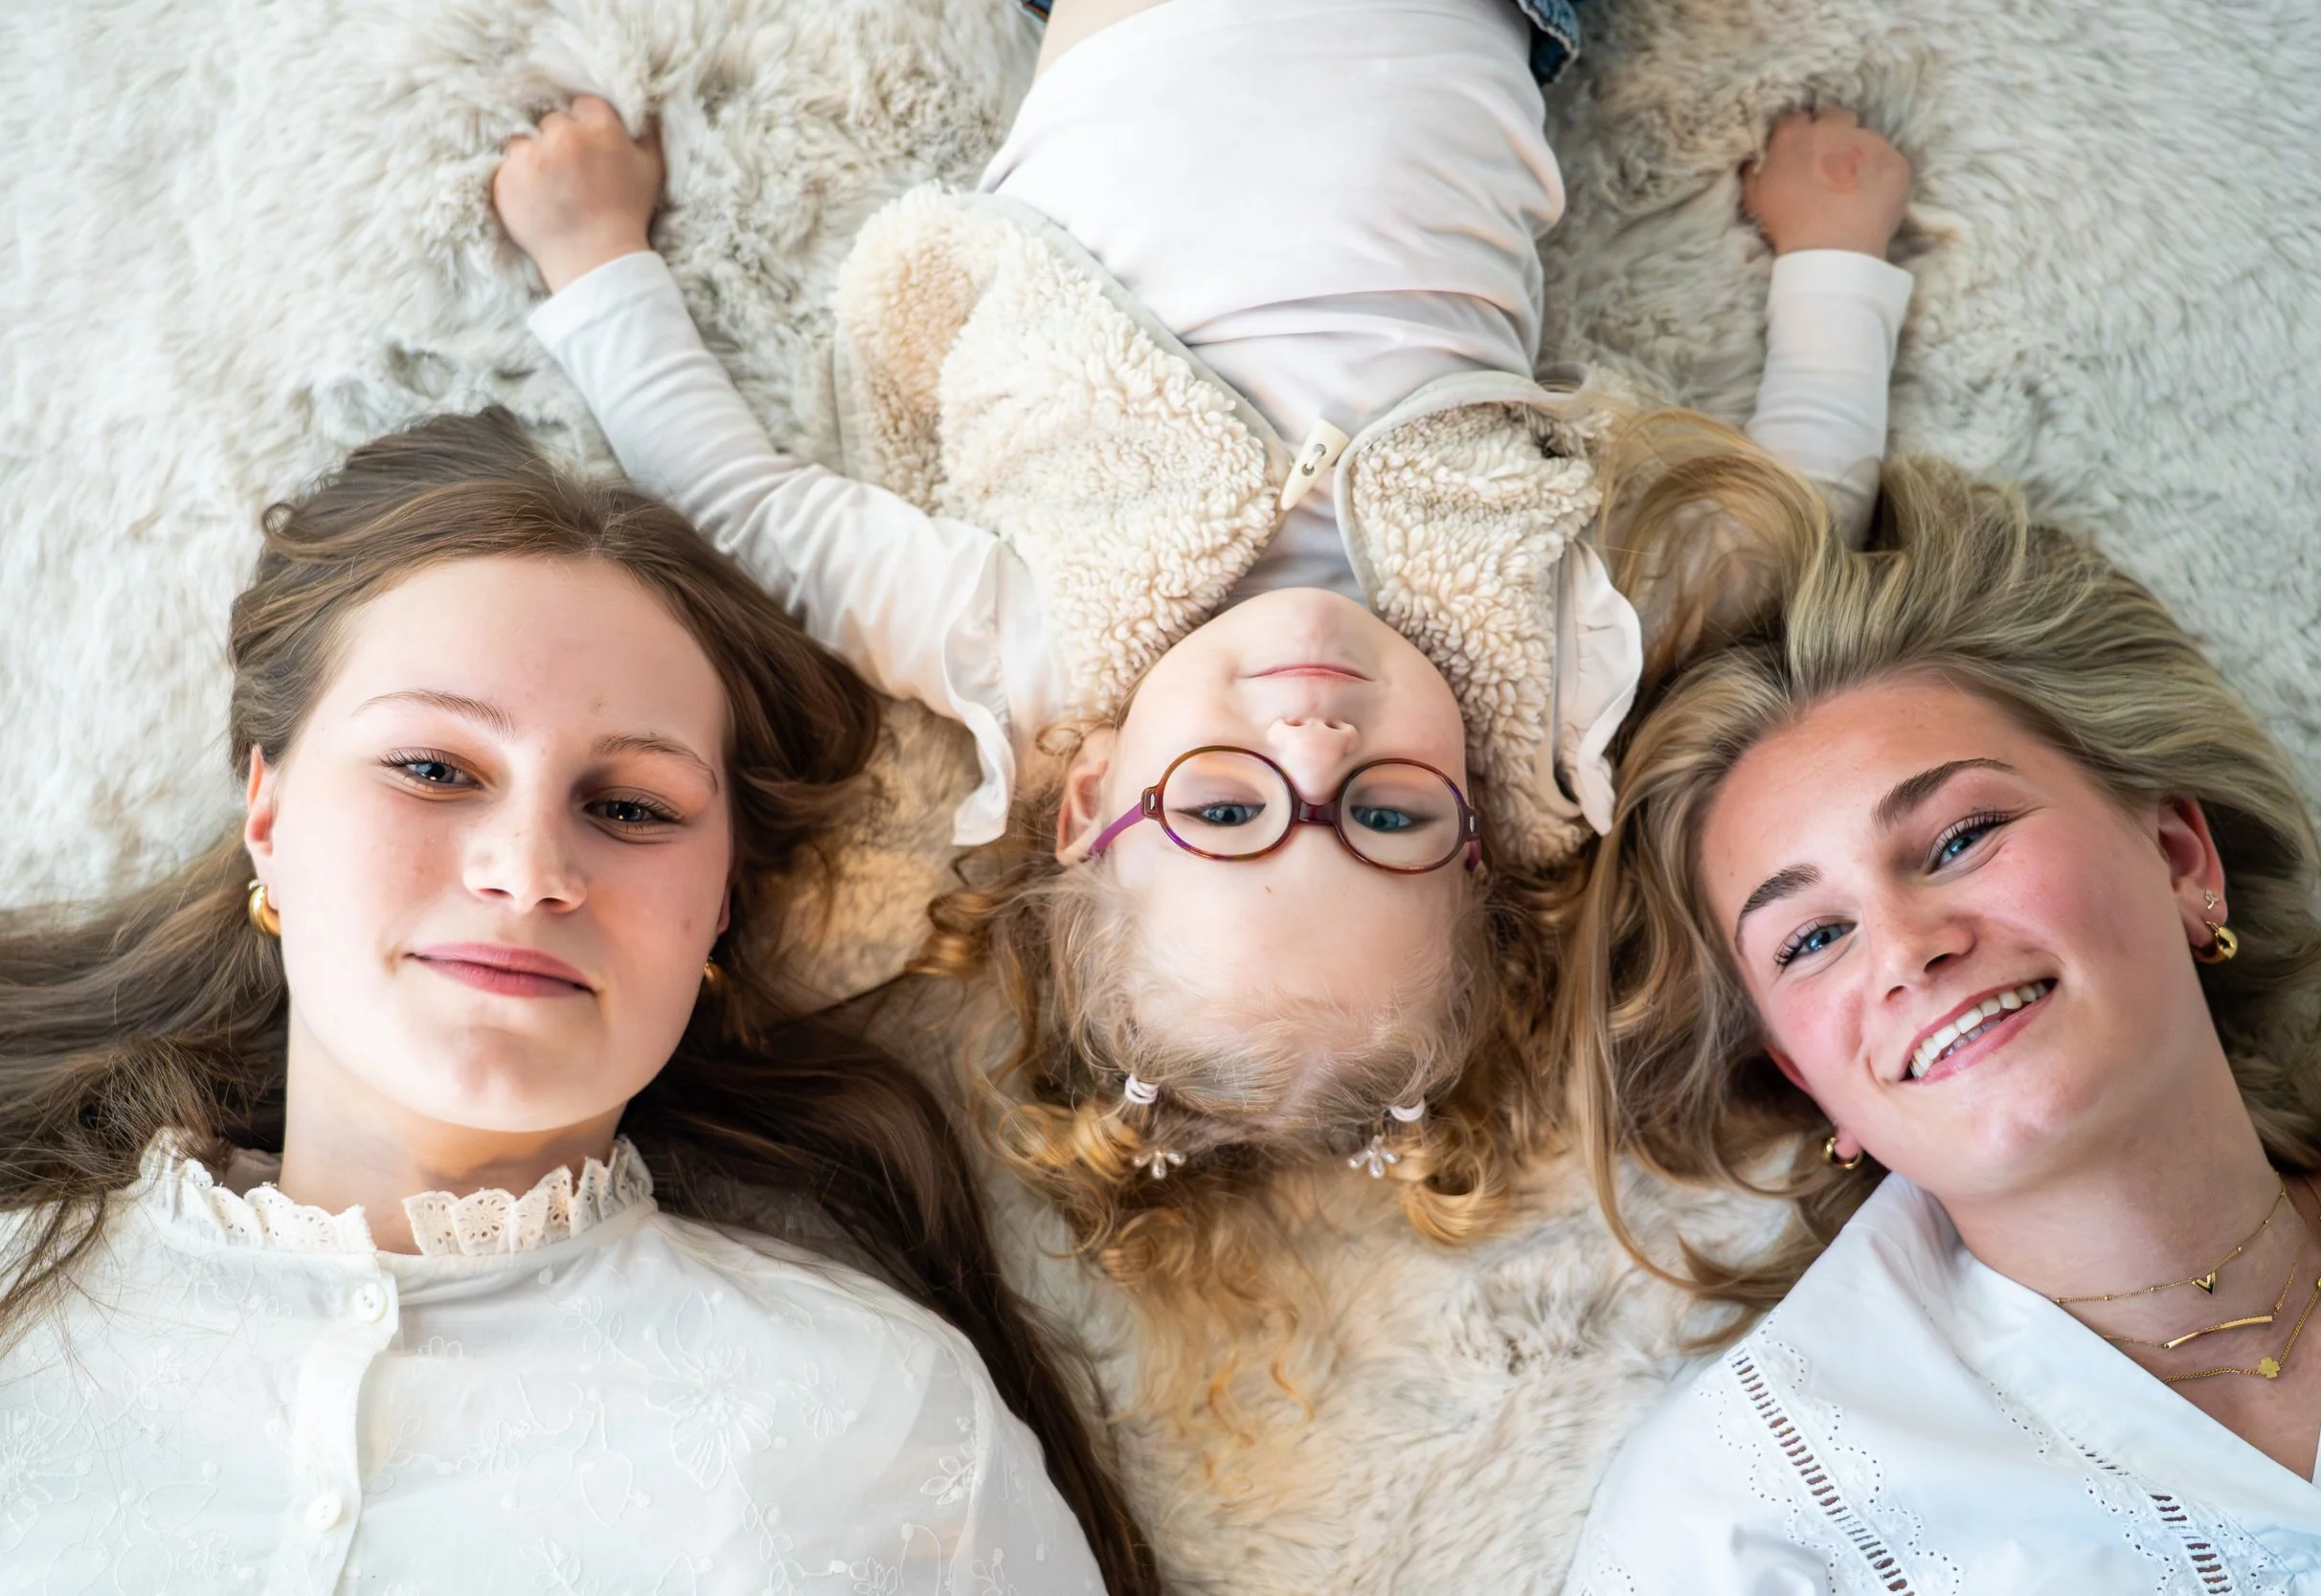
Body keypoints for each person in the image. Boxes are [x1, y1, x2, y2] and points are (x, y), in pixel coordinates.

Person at [488, 0, 1916, 1311]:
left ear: (1087, 793)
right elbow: (1777, 539)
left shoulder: (1027, 643)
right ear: (1477, 824)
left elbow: (754, 518)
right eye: (1388, 816)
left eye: (1224, 810)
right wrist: (1835, 269)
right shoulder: (1554, 661)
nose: (1314, 744)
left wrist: (595, 268)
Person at [0, 412, 1156, 1595]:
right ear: (270, 818)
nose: (528, 869)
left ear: (717, 906)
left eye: (634, 807)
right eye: (435, 769)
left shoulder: (880, 1415)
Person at [1562, 456, 2321, 1591]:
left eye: (1959, 838)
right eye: (1811, 938)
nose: (1908, 947)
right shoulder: (1739, 1524)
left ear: (2176, 858)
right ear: (1807, 1079)